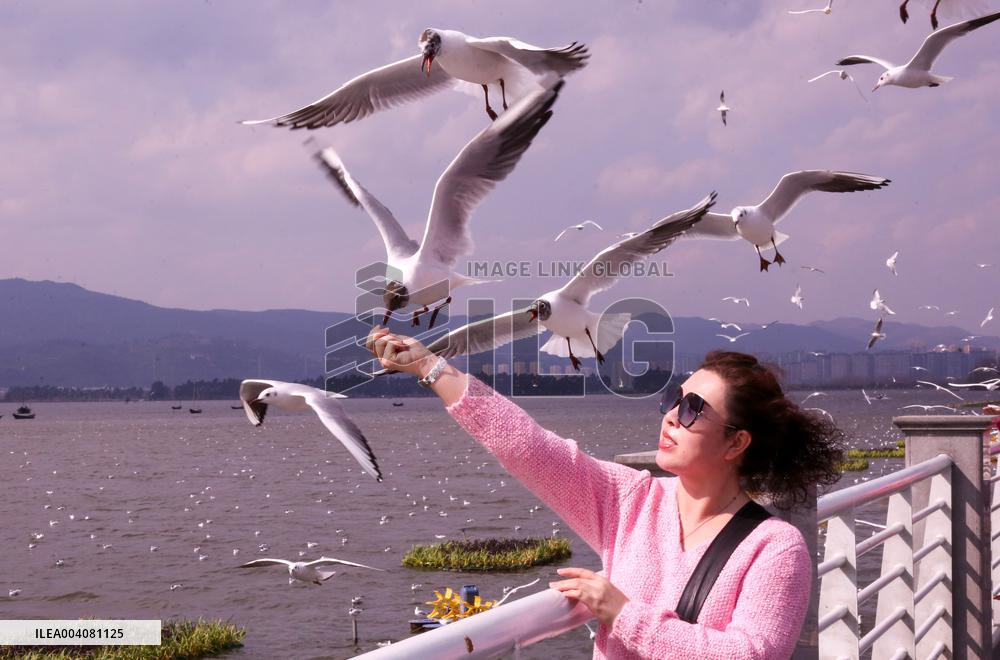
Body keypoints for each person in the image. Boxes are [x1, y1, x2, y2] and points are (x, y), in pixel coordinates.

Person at [367, 327, 844, 659]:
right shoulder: (632, 500)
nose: (672, 416)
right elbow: (529, 449)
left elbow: (753, 655)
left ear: (737, 442)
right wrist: (430, 367)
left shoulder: (775, 547)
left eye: (694, 409)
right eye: (673, 400)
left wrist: (623, 614)